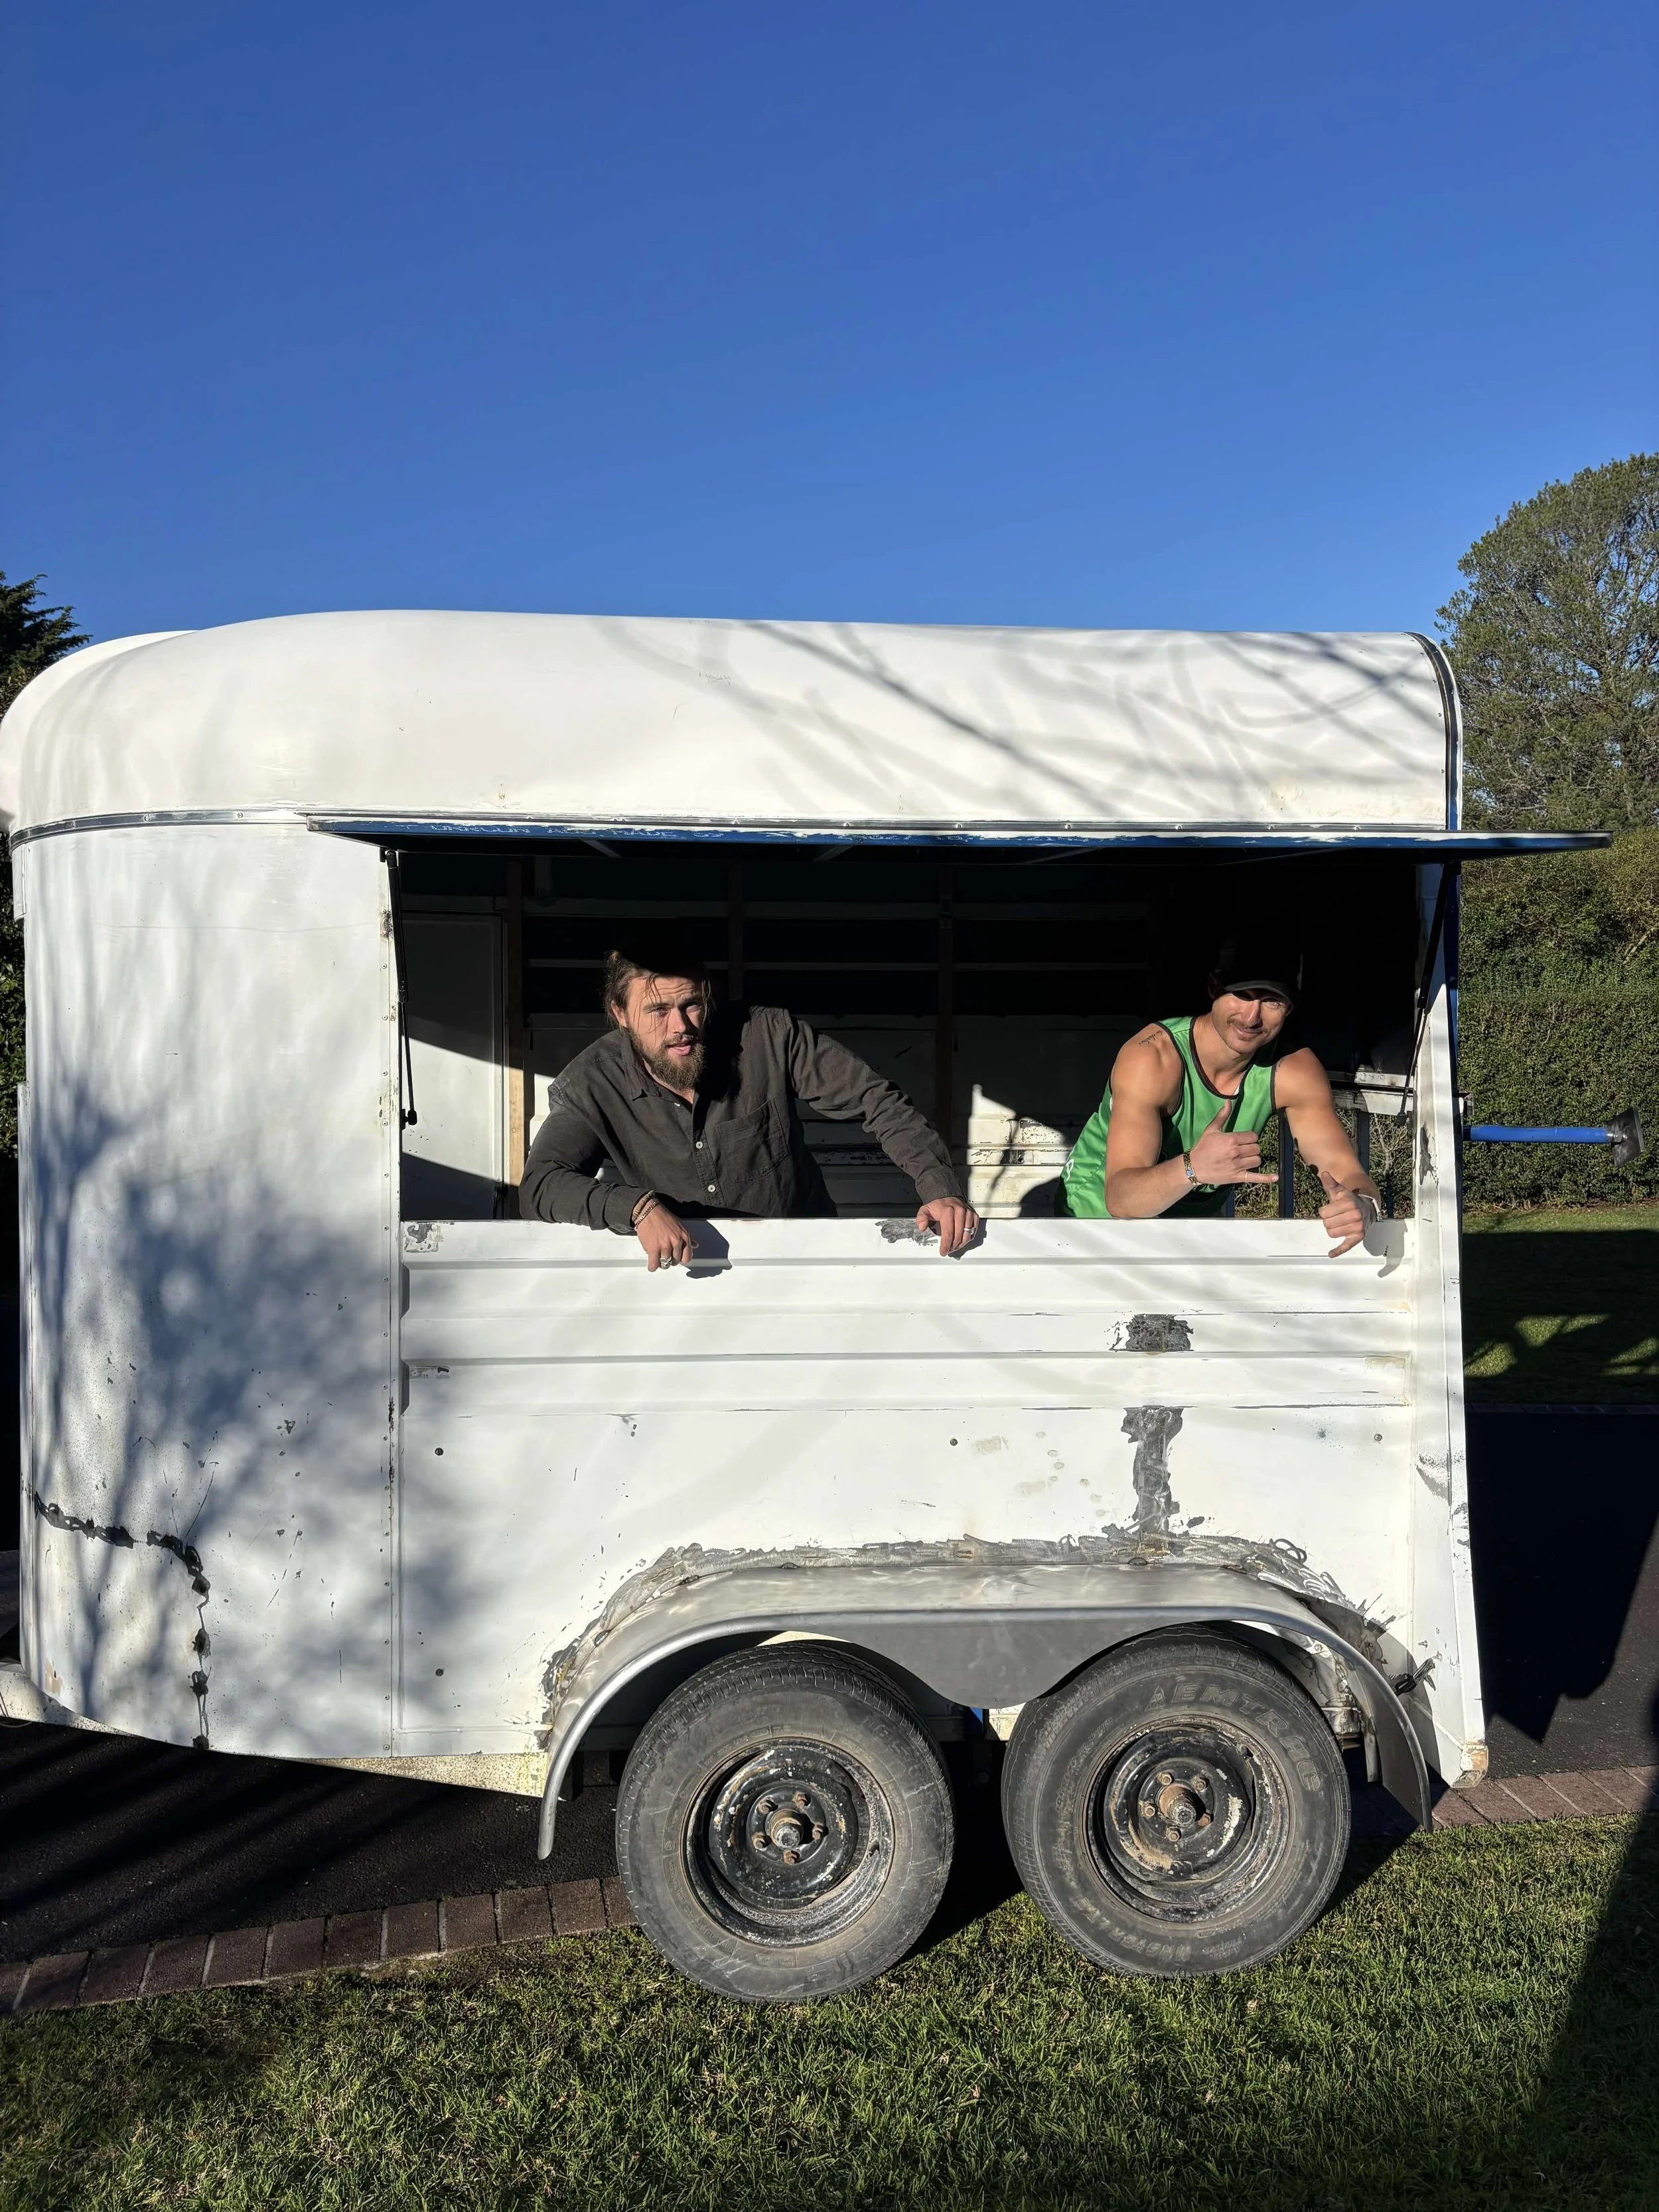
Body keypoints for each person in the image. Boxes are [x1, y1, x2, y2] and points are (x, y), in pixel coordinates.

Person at [520, 938, 979, 1268]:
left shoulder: (768, 1036)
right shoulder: (593, 1080)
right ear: (620, 1014)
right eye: (657, 1012)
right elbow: (539, 1186)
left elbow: (876, 1100)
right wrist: (636, 1208)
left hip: (801, 1259)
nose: (680, 1026)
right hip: (687, 1270)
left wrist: (939, 1187)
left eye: (692, 1005)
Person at [1060, 936, 1381, 1256]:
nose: (1251, 1017)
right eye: (1241, 995)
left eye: (1271, 1002)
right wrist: (1193, 1167)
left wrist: (1363, 1207)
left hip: (1182, 1238)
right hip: (1091, 1223)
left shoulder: (1294, 1070)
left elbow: (1345, 1171)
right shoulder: (1152, 1058)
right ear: (1214, 988)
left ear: (1289, 1008)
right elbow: (1121, 1198)